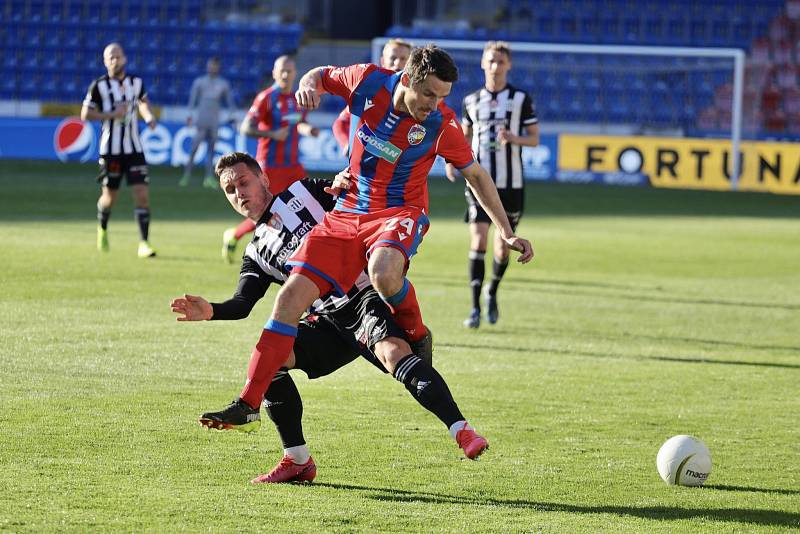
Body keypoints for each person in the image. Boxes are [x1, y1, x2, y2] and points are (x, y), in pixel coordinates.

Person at [201, 46, 534, 451]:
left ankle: (417, 333)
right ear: (408, 79)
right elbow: (320, 75)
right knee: (287, 301)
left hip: (399, 211)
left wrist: (504, 231)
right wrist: (309, 85)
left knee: (383, 272)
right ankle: (249, 405)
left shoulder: (443, 125)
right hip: (348, 213)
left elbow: (477, 175)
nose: (435, 104)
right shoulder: (368, 81)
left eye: (443, 95)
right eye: (429, 93)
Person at [173, 152, 489, 483]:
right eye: (230, 189)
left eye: (244, 182)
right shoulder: (255, 251)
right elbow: (243, 302)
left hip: (362, 297)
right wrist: (211, 310)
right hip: (326, 321)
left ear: (263, 179)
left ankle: (462, 430)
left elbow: (356, 198)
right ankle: (297, 460)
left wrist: (343, 182)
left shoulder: (305, 191)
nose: (239, 193)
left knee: (394, 356)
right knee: (273, 363)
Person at [446, 41, 540, 329]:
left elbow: (534, 138)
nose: (495, 66)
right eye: (491, 61)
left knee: (502, 248)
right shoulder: (472, 101)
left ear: (508, 65)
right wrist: (451, 160)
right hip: (478, 182)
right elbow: (462, 137)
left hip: (511, 184)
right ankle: (474, 307)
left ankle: (492, 292)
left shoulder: (521, 99)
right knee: (479, 239)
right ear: (483, 64)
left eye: (500, 61)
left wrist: (514, 138)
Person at [221, 55, 319, 262]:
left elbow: (298, 124)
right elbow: (246, 128)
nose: (285, 74)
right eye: (281, 70)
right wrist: (273, 134)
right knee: (269, 209)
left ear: (295, 73)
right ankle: (235, 235)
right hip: (270, 165)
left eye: (289, 70)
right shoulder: (266, 98)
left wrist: (307, 129)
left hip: (292, 165)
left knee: (308, 203)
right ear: (274, 73)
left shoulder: (295, 99)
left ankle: (307, 248)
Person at [81, 42, 158, 258]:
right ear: (105, 62)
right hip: (111, 151)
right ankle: (102, 227)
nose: (115, 60)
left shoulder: (136, 82)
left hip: (134, 149)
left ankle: (144, 243)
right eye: (110, 58)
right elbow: (85, 114)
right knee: (109, 197)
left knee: (142, 194)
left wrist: (149, 116)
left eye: (118, 56)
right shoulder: (99, 86)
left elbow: (143, 102)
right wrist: (111, 114)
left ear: (124, 58)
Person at [331, 38, 412, 153]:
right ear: (383, 61)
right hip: (364, 166)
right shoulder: (369, 91)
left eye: (403, 59)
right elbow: (341, 122)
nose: (397, 63)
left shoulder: (418, 98)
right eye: (393, 58)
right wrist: (346, 144)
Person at [179, 56, 236, 188]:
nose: (212, 68)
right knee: (194, 148)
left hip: (214, 120)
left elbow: (229, 102)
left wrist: (232, 115)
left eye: (214, 66)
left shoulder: (223, 83)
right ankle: (186, 175)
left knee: (212, 149)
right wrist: (189, 114)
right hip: (202, 119)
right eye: (210, 65)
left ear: (218, 67)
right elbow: (192, 100)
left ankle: (208, 177)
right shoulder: (199, 82)